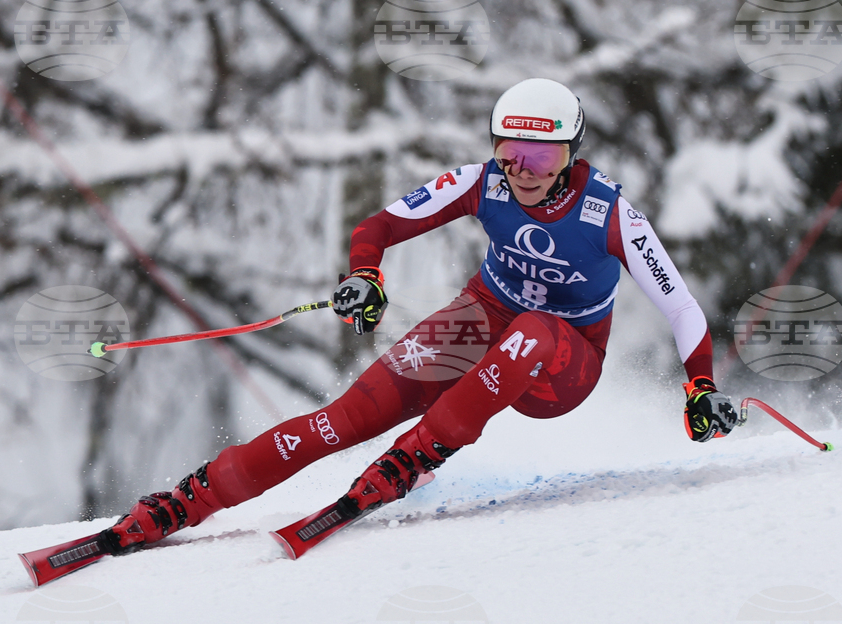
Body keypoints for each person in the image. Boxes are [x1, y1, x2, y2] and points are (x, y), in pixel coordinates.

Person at [100, 79, 739, 554]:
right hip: (482, 319)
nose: (522, 172)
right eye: (509, 153)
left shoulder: (610, 213)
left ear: (570, 155)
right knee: (344, 418)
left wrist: (701, 386)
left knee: (535, 329)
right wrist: (365, 275)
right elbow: (377, 226)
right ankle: (190, 498)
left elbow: (681, 306)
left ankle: (412, 458)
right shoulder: (482, 183)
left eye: (541, 158)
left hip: (562, 364)